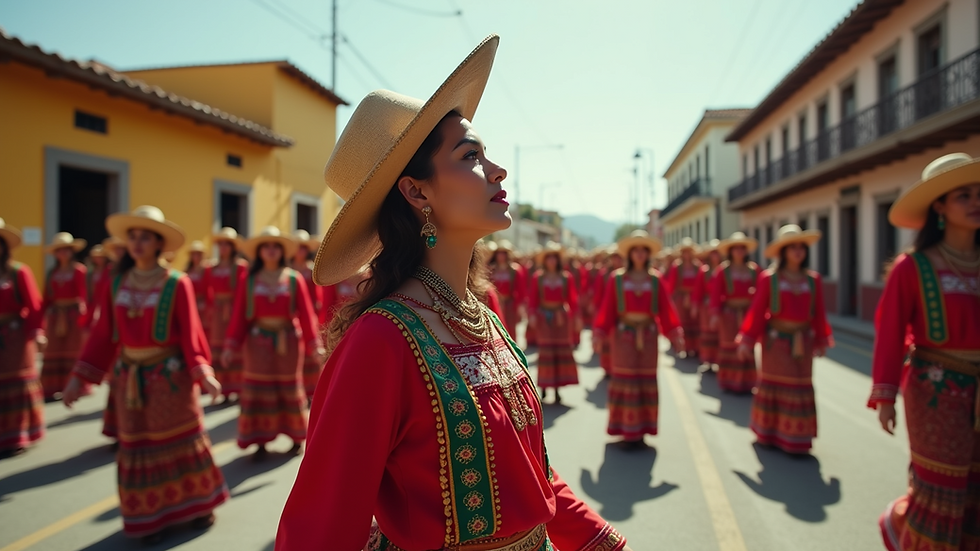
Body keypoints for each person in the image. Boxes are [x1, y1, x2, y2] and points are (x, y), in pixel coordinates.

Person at [274, 36, 629, 551]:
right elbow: (322, 521)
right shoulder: (381, 340)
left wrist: (603, 542)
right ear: (416, 192)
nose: (498, 170)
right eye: (471, 156)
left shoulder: (483, 316)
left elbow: (532, 476)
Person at [62, 206, 228, 543]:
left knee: (181, 437)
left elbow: (190, 333)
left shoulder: (176, 283)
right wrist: (79, 377)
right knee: (137, 444)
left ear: (158, 244)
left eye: (146, 237)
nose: (137, 243)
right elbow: (103, 333)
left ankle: (198, 506)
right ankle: (149, 517)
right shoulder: (116, 282)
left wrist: (203, 372)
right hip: (129, 380)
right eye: (133, 236)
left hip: (170, 377)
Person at [868, 153, 980, 551]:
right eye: (963, 195)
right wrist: (885, 396)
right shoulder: (912, 267)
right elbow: (890, 333)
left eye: (979, 193)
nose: (976, 201)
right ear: (940, 206)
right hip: (936, 389)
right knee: (943, 485)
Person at [223, 227, 322, 460]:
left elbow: (306, 316)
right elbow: (239, 316)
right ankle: (260, 441)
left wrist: (314, 345)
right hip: (257, 344)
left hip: (287, 343)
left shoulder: (293, 279)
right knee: (258, 389)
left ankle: (297, 437)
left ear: (281, 251)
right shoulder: (249, 280)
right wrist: (230, 346)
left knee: (289, 387)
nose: (270, 250)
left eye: (275, 246)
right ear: (258, 252)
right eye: (266, 246)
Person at [736, 225, 833, 454]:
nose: (798, 252)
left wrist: (821, 339)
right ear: (783, 252)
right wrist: (747, 340)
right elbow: (758, 311)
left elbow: (818, 312)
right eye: (792, 247)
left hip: (803, 343)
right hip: (776, 343)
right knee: (774, 383)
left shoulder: (813, 280)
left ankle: (796, 437)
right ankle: (769, 432)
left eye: (801, 247)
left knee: (800, 385)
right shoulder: (769, 279)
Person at [595, 230, 682, 450]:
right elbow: (607, 309)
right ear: (630, 254)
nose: (640, 254)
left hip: (649, 338)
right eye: (636, 250)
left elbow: (666, 309)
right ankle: (625, 430)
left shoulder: (656, 279)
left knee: (645, 380)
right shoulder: (617, 279)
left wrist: (675, 333)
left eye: (644, 250)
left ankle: (642, 430)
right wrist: (599, 333)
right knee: (624, 379)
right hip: (623, 337)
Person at [0, 218, 45, 459]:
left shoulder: (19, 272)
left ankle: (18, 434)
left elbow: (34, 306)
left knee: (16, 382)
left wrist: (37, 332)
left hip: (16, 337)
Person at [529, 242, 580, 403]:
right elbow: (533, 299)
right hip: (544, 319)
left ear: (558, 260)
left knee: (559, 352)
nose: (551, 261)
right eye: (548, 257)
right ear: (545, 260)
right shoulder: (538, 277)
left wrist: (576, 318)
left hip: (561, 321)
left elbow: (572, 300)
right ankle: (544, 387)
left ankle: (557, 389)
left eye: (554, 258)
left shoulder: (566, 277)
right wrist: (532, 315)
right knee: (545, 353)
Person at [710, 232, 760, 394]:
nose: (739, 251)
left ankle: (747, 382)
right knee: (729, 346)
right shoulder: (723, 271)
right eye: (736, 248)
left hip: (748, 314)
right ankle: (729, 381)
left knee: (747, 346)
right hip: (729, 315)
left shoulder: (754, 270)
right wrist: (715, 314)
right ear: (730, 251)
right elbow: (716, 294)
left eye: (742, 248)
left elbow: (761, 294)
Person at [40, 232, 88, 400]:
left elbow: (85, 295)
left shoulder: (79, 271)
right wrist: (39, 323)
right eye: (60, 250)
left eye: (66, 250)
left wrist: (86, 318)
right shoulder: (51, 272)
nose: (63, 253)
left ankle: (76, 386)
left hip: (73, 316)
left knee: (74, 349)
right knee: (53, 349)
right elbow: (46, 297)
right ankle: (52, 386)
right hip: (55, 317)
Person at [204, 227, 247, 401]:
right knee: (218, 347)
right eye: (220, 244)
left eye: (226, 244)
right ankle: (222, 388)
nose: (223, 247)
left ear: (232, 247)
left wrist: (238, 311)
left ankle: (238, 388)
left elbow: (242, 292)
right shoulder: (211, 268)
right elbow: (208, 291)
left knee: (236, 346)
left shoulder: (240, 267)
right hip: (217, 314)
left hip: (234, 309)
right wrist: (209, 310)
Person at [290, 230, 325, 401]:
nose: (300, 251)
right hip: (292, 316)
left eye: (303, 248)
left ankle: (312, 391)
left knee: (310, 351)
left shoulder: (311, 269)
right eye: (297, 248)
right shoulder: (288, 271)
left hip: (309, 314)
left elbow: (318, 298)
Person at [663, 238, 701, 357]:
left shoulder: (698, 266)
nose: (687, 254)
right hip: (680, 299)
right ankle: (683, 346)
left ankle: (695, 347)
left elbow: (700, 284)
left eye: (689, 252)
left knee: (695, 322)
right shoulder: (677, 267)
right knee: (682, 322)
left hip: (694, 297)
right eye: (685, 252)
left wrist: (695, 298)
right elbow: (672, 285)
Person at [486, 239, 526, 338]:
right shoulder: (491, 269)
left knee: (510, 329)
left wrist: (521, 307)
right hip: (493, 304)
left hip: (510, 305)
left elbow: (521, 290)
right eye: (499, 253)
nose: (501, 256)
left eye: (504, 253)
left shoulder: (515, 270)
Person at [692, 239, 721, 370]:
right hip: (706, 306)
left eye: (717, 253)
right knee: (707, 332)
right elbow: (698, 290)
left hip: (721, 307)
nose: (715, 256)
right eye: (713, 253)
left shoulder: (724, 270)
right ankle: (708, 360)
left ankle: (719, 360)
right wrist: (695, 305)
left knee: (721, 334)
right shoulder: (704, 271)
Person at [186, 240, 209, 328]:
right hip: (191, 302)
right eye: (194, 254)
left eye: (198, 254)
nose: (196, 256)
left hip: (203, 303)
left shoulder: (206, 270)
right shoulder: (187, 270)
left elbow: (208, 288)